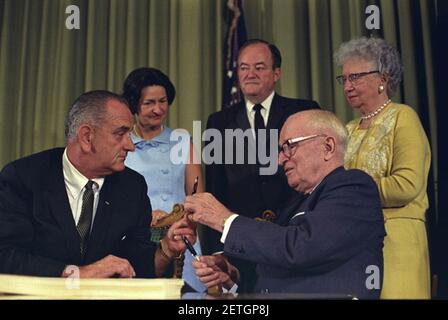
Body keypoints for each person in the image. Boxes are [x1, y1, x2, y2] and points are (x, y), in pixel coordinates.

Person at [185, 110, 386, 299]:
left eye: (289, 146)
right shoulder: (296, 202)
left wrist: (224, 220)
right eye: (281, 150)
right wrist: (231, 277)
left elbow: (300, 248)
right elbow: (275, 266)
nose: (280, 159)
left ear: (328, 147)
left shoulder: (354, 188)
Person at [0, 90, 196, 279]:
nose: (130, 145)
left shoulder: (132, 187)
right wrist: (76, 274)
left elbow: (139, 268)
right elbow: (6, 256)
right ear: (87, 137)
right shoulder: (23, 178)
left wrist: (166, 251)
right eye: (121, 134)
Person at [204, 39, 320, 292]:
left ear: (276, 73)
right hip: (239, 246)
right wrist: (217, 250)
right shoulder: (218, 122)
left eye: (259, 67)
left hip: (295, 241)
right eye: (244, 68)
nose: (250, 74)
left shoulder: (304, 111)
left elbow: (320, 179)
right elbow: (215, 188)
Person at [334, 37, 432, 299]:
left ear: (383, 79)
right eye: (343, 79)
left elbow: (408, 185)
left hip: (397, 244)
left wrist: (348, 195)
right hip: (353, 244)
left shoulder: (404, 117)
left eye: (355, 77)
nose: (348, 86)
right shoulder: (347, 129)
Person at [122, 67, 205, 292]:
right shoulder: (121, 144)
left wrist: (178, 223)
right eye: (149, 103)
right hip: (135, 239)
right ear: (133, 104)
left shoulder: (182, 141)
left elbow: (198, 198)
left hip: (179, 236)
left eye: (163, 101)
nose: (158, 109)